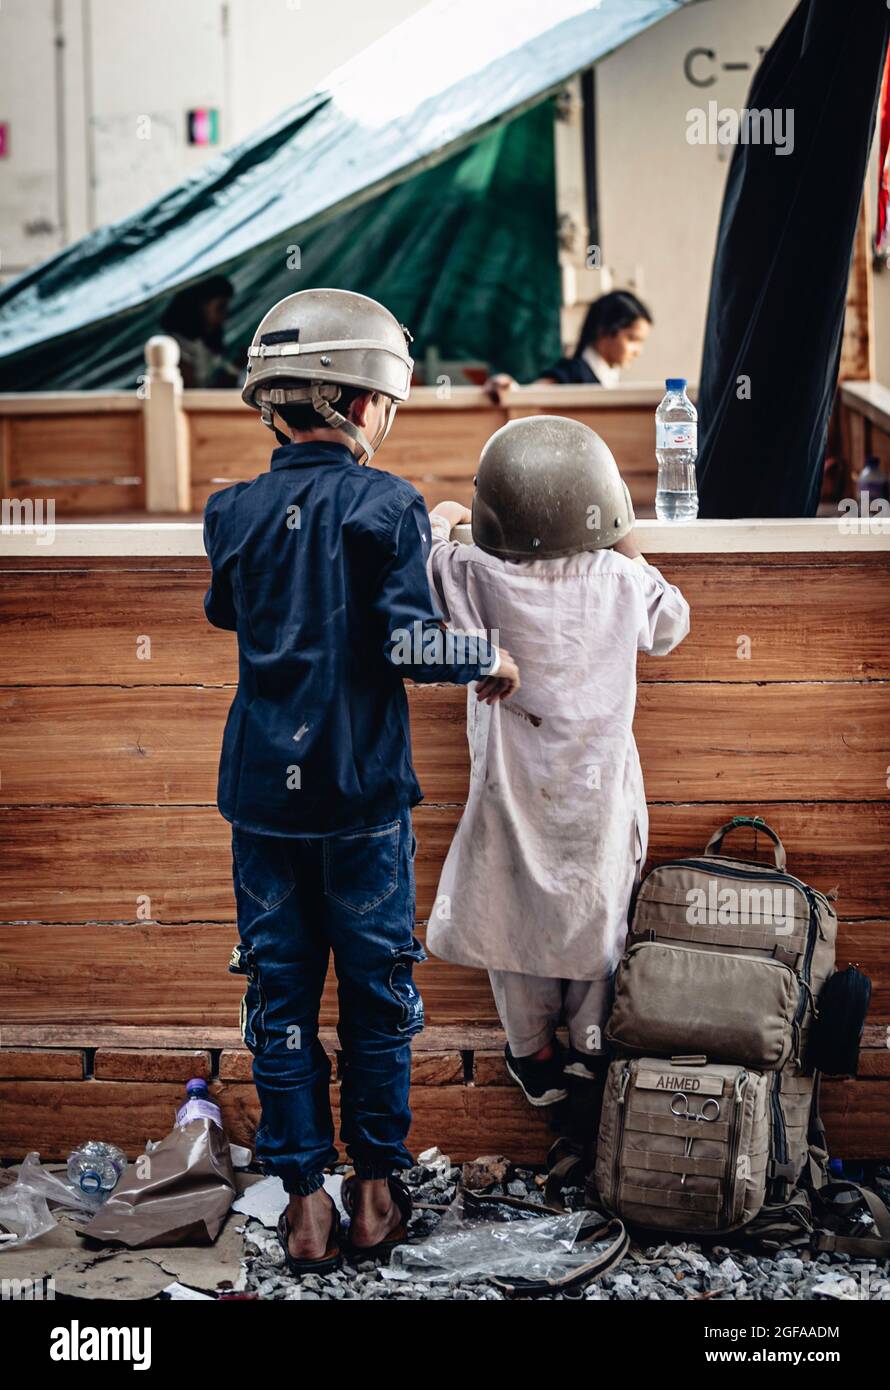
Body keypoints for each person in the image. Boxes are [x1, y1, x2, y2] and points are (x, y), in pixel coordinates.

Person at [202, 288, 519, 1276]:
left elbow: (227, 611)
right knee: (377, 994)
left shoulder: (230, 510)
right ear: (356, 402)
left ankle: (304, 1202)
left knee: (281, 993)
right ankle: (375, 1191)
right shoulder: (386, 504)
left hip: (260, 796)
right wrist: (485, 658)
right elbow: (404, 640)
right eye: (387, 398)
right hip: (359, 795)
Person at [424, 415, 689, 1132]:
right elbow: (673, 622)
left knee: (510, 917)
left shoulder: (475, 571)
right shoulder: (619, 578)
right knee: (600, 909)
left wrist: (451, 516)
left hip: (511, 794)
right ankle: (592, 1049)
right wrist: (625, 537)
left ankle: (531, 1053)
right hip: (599, 794)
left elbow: (434, 537)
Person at [485, 289, 652, 400]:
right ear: (603, 331)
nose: (638, 351)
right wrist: (507, 387)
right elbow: (528, 396)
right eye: (632, 339)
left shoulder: (606, 379)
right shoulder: (572, 373)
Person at [160, 274, 241, 387]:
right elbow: (193, 393)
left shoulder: (208, 342)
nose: (225, 314)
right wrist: (234, 368)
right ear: (200, 305)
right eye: (220, 307)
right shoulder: (175, 345)